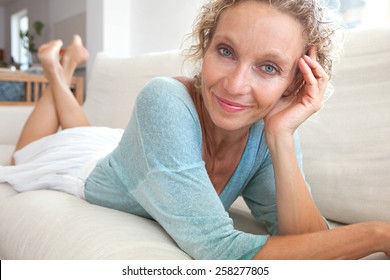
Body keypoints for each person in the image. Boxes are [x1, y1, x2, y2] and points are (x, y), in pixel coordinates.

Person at [1, 0, 390, 260]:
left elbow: (308, 239)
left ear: (294, 82)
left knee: (85, 130)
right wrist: (378, 235)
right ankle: (54, 69)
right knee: (30, 150)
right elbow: (219, 250)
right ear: (206, 47)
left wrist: (282, 137)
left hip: (128, 153)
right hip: (82, 167)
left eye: (268, 67)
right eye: (226, 51)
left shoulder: (266, 130)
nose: (236, 85)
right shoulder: (164, 100)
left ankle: (62, 68)